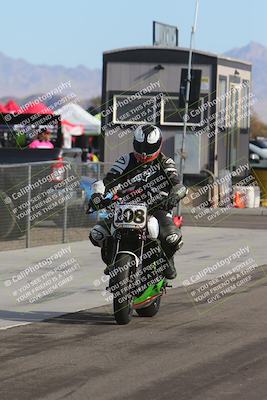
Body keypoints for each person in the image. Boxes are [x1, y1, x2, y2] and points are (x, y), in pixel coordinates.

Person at [88, 124, 187, 279]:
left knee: (171, 237)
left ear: (158, 144)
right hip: (125, 207)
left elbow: (178, 185)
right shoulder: (125, 160)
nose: (144, 152)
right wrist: (96, 196)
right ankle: (112, 261)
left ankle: (167, 260)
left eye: (149, 147)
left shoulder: (165, 162)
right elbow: (108, 181)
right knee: (97, 234)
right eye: (140, 146)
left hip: (157, 207)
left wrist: (174, 196)